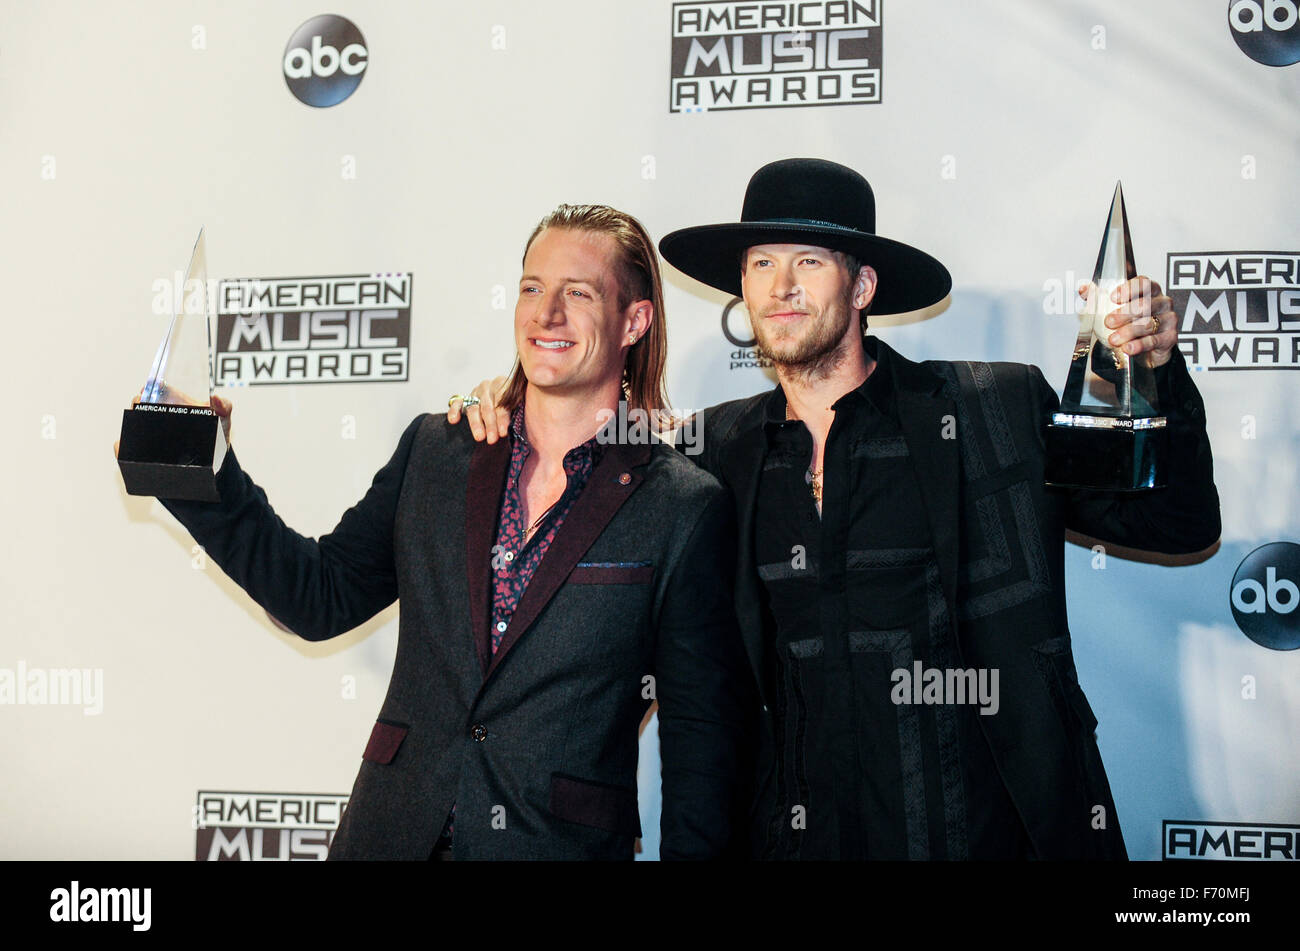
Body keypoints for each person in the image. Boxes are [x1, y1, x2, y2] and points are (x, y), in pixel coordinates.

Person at [451, 159, 1221, 860]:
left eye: (808, 262)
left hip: (988, 839)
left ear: (862, 288)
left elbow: (1177, 522)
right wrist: (506, 414)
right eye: (760, 265)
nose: (779, 287)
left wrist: (1157, 373)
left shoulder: (995, 411)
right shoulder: (706, 454)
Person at [125, 203, 751, 860]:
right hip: (389, 835)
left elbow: (698, 744)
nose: (547, 314)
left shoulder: (680, 503)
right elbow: (319, 596)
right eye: (533, 287)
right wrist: (203, 469)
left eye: (579, 292)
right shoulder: (439, 450)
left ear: (635, 320)